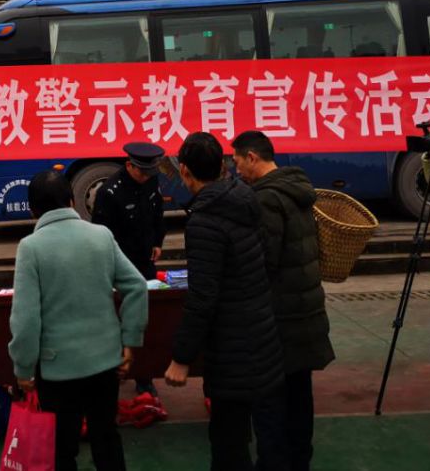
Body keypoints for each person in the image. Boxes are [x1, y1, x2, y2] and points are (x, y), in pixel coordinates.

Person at [9, 170, 147, 471]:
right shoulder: (101, 235)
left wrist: (23, 368)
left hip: (57, 369)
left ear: (32, 210)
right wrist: (130, 341)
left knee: (62, 449)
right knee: (106, 439)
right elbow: (136, 286)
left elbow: (25, 318)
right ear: (72, 200)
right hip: (105, 361)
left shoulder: (31, 247)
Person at [164, 132, 284, 471]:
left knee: (228, 447)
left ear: (184, 171)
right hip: (263, 338)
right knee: (262, 438)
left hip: (233, 351)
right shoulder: (245, 197)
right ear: (222, 165)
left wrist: (181, 358)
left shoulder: (205, 220)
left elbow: (203, 297)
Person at [232, 130, 335, 471]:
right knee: (300, 399)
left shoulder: (265, 199)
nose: (236, 170)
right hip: (305, 313)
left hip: (278, 321)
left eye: (237, 162)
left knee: (271, 406)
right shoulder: (297, 189)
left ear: (252, 158)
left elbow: (264, 261)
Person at [91, 141, 166, 395]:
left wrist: (158, 242)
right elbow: (101, 235)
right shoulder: (110, 193)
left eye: (150, 173)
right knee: (116, 319)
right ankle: (114, 369)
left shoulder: (151, 181)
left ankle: (144, 376)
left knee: (142, 320)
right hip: (120, 266)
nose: (146, 177)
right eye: (142, 172)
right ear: (129, 166)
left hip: (145, 263)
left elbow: (157, 214)